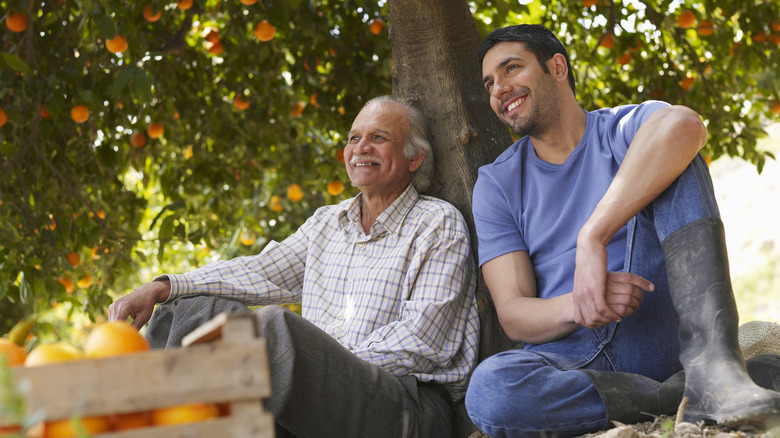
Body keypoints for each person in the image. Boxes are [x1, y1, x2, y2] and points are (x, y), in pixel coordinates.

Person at [464, 24, 780, 437]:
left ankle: (716, 367)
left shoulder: (624, 127)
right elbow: (514, 314)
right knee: (492, 391)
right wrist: (579, 305)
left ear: (557, 67)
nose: (498, 89)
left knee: (678, 158)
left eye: (511, 69)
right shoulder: (496, 182)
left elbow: (684, 126)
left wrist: (591, 236)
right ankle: (690, 394)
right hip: (572, 363)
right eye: (490, 83)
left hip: (657, 337)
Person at [109, 95, 480, 438]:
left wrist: (317, 355)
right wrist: (162, 287)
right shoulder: (327, 222)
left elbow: (422, 341)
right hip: (312, 394)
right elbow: (259, 271)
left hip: (404, 406)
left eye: (378, 137)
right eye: (353, 138)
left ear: (414, 158)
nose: (360, 148)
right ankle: (155, 415)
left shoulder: (436, 222)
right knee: (187, 310)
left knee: (273, 329)